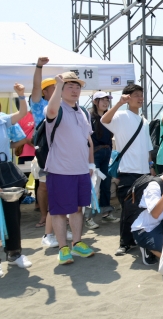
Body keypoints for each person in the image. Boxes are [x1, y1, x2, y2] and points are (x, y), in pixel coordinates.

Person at [44, 72, 95, 265]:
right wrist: (57, 85)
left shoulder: (83, 112)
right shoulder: (56, 108)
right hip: (60, 170)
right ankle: (62, 248)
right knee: (59, 211)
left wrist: (90, 164)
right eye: (70, 87)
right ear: (61, 89)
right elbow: (51, 111)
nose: (75, 90)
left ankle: (77, 243)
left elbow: (88, 140)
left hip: (81, 170)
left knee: (78, 208)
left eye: (77, 87)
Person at [101, 83, 155, 256]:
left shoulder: (144, 121)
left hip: (144, 172)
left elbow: (148, 148)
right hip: (127, 171)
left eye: (141, 95)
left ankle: (139, 239)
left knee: (143, 208)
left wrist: (151, 167)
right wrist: (119, 103)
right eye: (136, 95)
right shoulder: (121, 115)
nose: (140, 98)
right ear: (128, 97)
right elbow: (104, 120)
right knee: (128, 208)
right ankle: (125, 243)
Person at [0, 82, 31, 271]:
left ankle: (14, 253)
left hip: (5, 169)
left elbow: (22, 113)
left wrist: (21, 95)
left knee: (12, 213)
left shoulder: (3, 119)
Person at [31, 57, 55, 234]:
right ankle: (44, 216)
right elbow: (35, 87)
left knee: (59, 185)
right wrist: (39, 66)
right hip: (44, 151)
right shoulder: (39, 105)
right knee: (44, 186)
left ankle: (58, 215)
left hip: (61, 149)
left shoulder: (64, 105)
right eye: (53, 88)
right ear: (45, 92)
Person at [87, 91, 118, 230]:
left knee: (106, 184)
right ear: (95, 102)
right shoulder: (89, 117)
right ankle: (89, 217)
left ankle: (106, 212)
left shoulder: (109, 117)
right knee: (94, 185)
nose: (106, 103)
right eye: (102, 100)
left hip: (107, 153)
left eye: (107, 100)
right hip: (94, 154)